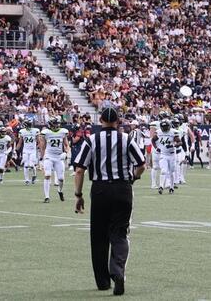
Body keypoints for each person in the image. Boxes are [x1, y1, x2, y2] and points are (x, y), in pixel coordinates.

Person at [72, 106, 146, 296]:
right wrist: (132, 178)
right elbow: (141, 165)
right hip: (122, 188)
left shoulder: (92, 140)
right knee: (120, 233)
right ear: (118, 121)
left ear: (101, 121)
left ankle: (103, 282)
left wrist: (78, 195)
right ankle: (118, 272)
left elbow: (80, 169)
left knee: (99, 237)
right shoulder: (126, 139)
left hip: (100, 190)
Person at [38, 117, 70, 202]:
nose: (58, 125)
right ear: (51, 125)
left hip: (59, 157)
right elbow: (43, 146)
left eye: (58, 123)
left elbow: (67, 145)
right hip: (49, 156)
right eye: (56, 123)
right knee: (47, 175)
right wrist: (41, 158)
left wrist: (66, 153)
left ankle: (60, 191)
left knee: (61, 179)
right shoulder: (46, 133)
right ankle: (47, 197)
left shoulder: (63, 132)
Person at [152, 119, 180, 194]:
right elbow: (153, 140)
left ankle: (171, 187)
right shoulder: (158, 132)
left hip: (172, 155)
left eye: (166, 127)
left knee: (171, 172)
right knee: (163, 171)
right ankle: (161, 186)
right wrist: (156, 148)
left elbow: (180, 142)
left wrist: (173, 145)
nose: (164, 129)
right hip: (163, 154)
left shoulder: (173, 132)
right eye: (163, 127)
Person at [17, 119, 40, 185]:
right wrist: (16, 150)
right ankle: (27, 180)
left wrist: (38, 147)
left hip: (32, 150)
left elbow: (39, 141)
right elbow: (20, 142)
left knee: (31, 165)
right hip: (25, 150)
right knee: (26, 165)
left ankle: (34, 175)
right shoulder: (22, 131)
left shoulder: (35, 131)